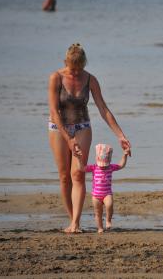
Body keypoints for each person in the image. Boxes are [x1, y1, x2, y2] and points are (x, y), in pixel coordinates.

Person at [48, 43, 131, 233]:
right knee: (64, 177)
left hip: (82, 126)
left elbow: (103, 108)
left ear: (85, 64)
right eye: (72, 68)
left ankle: (76, 223)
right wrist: (68, 138)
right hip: (58, 128)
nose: (76, 73)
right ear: (65, 62)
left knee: (77, 173)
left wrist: (120, 135)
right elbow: (53, 111)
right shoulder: (56, 78)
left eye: (80, 68)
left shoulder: (91, 80)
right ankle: (72, 220)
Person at [78, 144, 128, 233]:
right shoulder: (94, 167)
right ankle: (100, 227)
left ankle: (108, 220)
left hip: (107, 193)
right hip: (96, 195)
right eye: (102, 164)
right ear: (97, 159)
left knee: (109, 205)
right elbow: (82, 168)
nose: (103, 166)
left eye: (105, 164)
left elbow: (121, 165)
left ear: (109, 160)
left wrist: (125, 155)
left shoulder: (111, 167)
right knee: (98, 213)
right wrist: (79, 158)